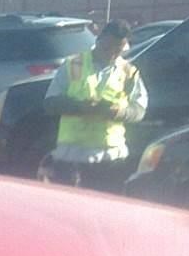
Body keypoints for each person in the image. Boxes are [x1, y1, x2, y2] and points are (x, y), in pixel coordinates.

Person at [39, 21, 146, 191]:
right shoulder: (74, 65)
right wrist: (80, 107)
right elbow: (50, 103)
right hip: (72, 157)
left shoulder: (128, 72)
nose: (111, 53)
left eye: (117, 49)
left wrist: (119, 112)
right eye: (107, 48)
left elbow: (139, 110)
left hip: (111, 158)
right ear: (99, 40)